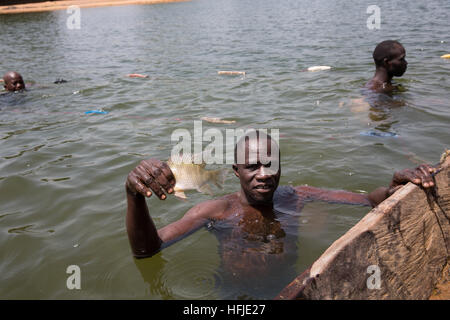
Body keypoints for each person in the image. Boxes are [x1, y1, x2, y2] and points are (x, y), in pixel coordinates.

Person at [125, 130, 436, 295]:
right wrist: (134, 197)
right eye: (252, 167)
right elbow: (147, 250)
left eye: (271, 164)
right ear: (235, 171)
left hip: (290, 289)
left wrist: (394, 186)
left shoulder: (296, 196)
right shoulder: (215, 211)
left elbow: (368, 201)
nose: (263, 174)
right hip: (236, 297)